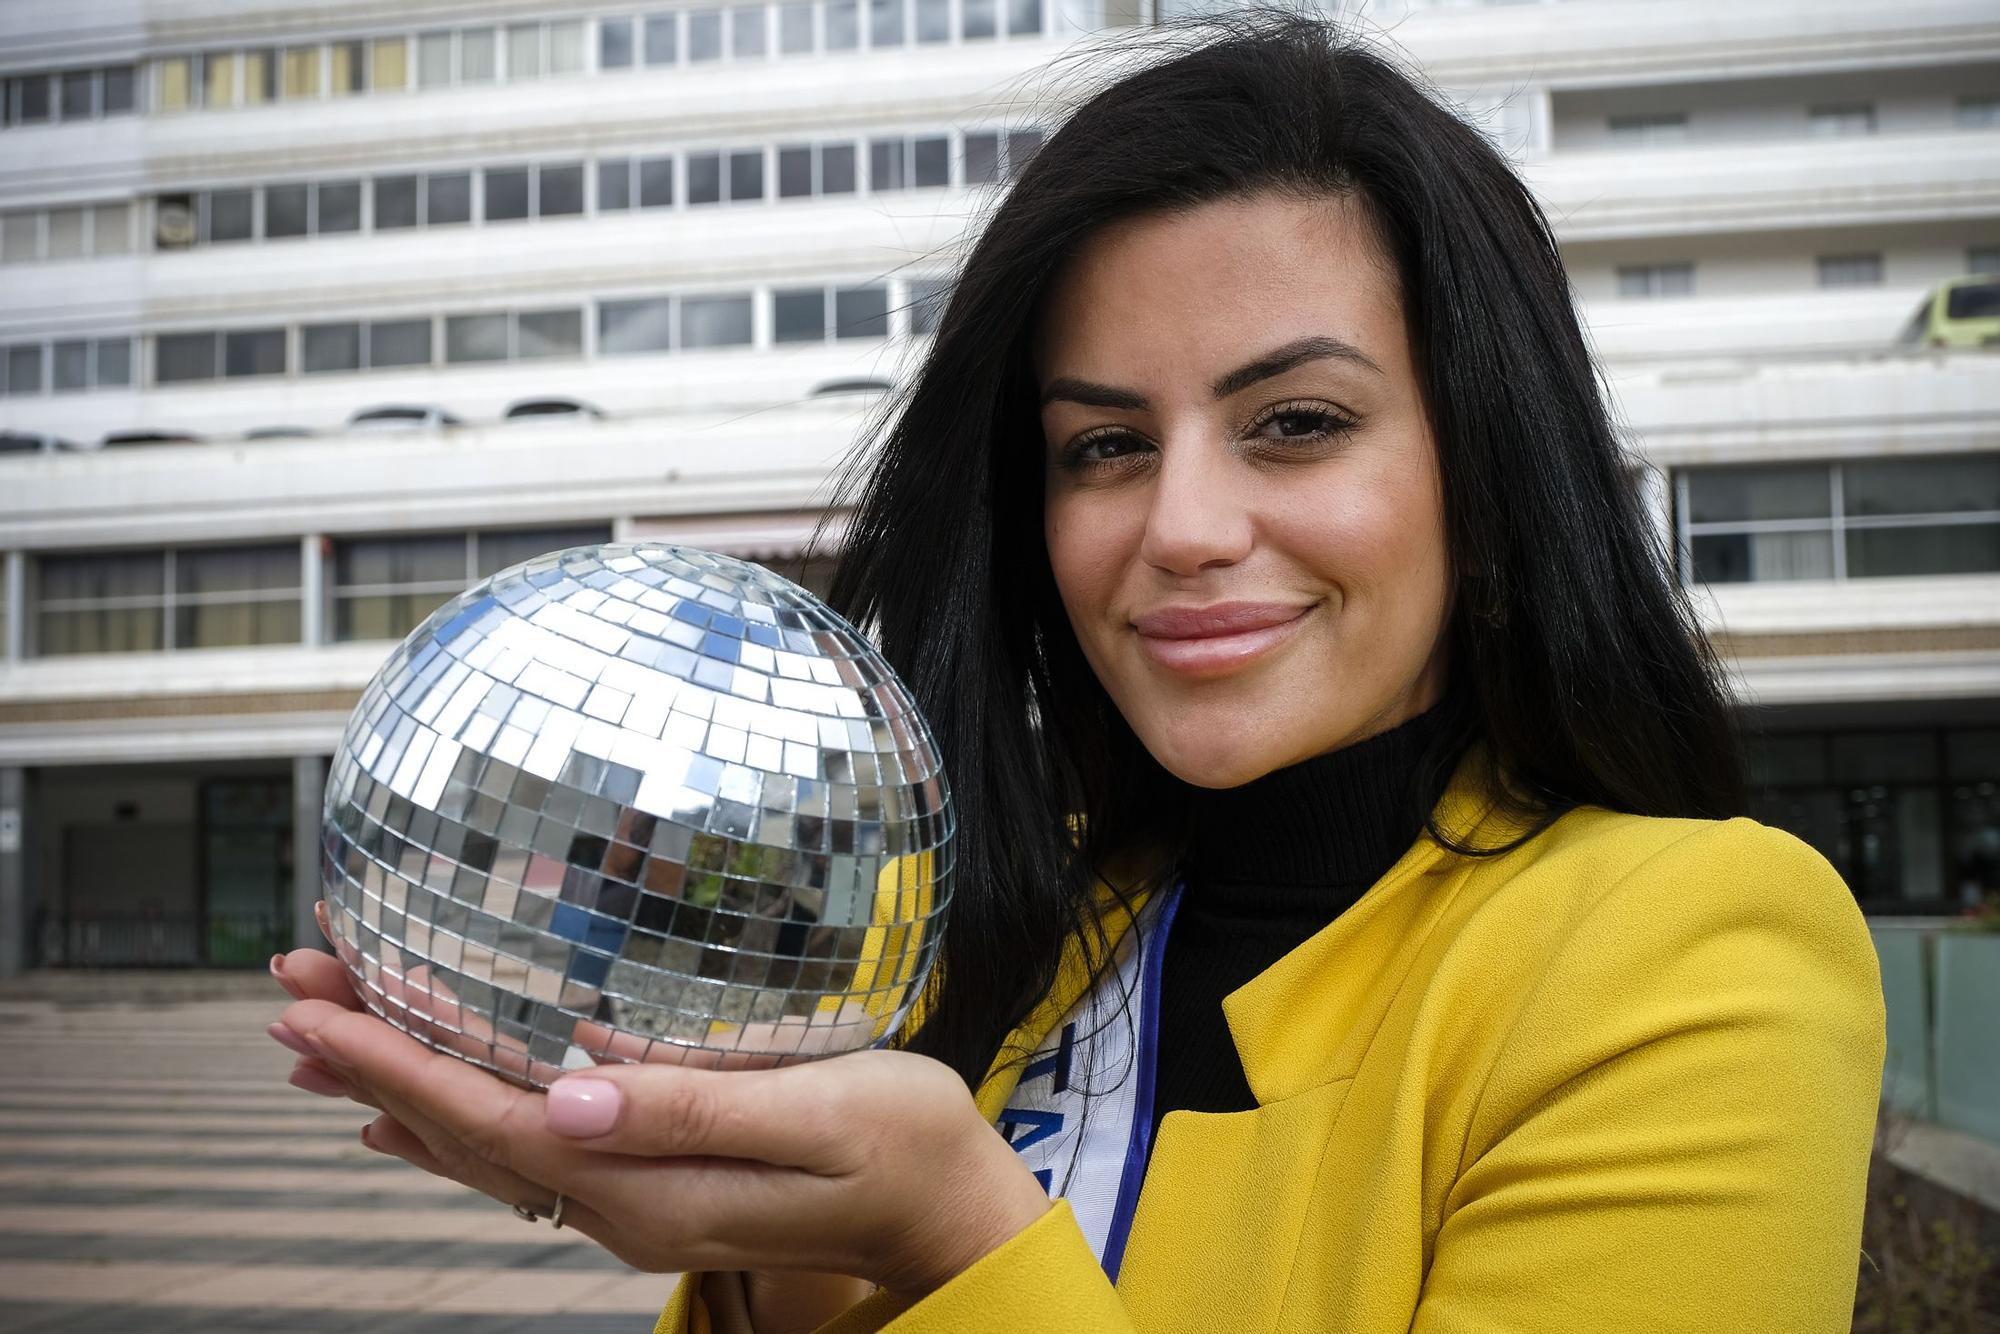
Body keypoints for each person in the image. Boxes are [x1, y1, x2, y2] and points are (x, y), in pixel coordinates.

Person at [267, 14, 1886, 1332]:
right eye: (1104, 444)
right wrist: (783, 1244)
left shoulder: (1692, 951)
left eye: (1296, 422)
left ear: (1486, 461)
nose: (1181, 528)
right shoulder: (987, 942)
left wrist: (952, 1235)